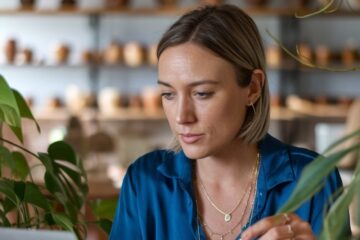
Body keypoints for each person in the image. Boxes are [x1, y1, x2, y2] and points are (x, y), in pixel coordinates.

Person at [109, 4, 348, 240]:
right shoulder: (145, 182)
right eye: (168, 94)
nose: (182, 117)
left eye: (202, 93)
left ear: (253, 88)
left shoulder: (314, 179)